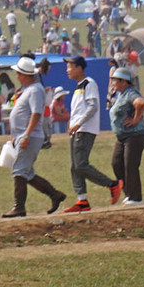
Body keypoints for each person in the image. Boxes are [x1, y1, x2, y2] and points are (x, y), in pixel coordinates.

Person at [2, 56, 67, 217]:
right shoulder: (30, 89)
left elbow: (36, 114)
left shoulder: (35, 90)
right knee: (27, 173)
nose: (17, 76)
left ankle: (19, 207)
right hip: (24, 136)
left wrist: (26, 135)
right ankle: (54, 195)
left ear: (25, 75)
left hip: (30, 137)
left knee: (19, 171)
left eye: (18, 73)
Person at [60, 55, 121, 212]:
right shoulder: (79, 86)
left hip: (85, 130)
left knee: (81, 164)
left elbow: (92, 106)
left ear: (79, 68)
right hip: (77, 130)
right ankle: (82, 200)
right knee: (75, 166)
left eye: (70, 67)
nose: (67, 70)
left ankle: (112, 184)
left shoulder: (89, 84)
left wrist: (78, 123)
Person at [108, 65, 144, 206]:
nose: (113, 83)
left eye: (115, 80)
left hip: (134, 135)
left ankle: (136, 198)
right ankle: (129, 194)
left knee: (130, 165)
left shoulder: (130, 93)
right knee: (117, 163)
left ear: (124, 81)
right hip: (123, 137)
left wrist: (135, 119)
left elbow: (140, 103)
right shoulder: (121, 94)